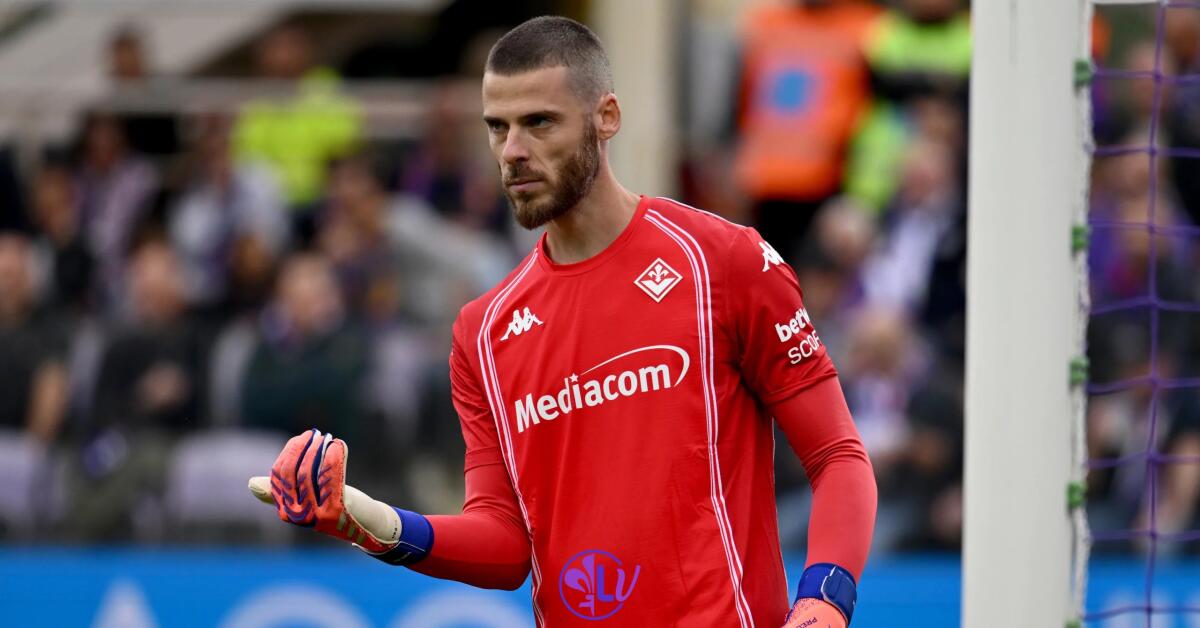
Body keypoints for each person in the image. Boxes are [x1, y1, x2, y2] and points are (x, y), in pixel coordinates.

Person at [250, 17, 876, 627]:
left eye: (538, 123)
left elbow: (838, 456)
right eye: (498, 128)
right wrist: (369, 522)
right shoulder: (483, 332)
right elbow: (502, 546)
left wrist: (822, 606)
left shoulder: (723, 260)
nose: (513, 151)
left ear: (606, 117)